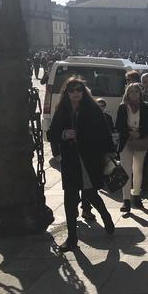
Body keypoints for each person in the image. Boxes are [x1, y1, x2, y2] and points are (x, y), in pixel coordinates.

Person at [48, 78, 116, 251]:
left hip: (90, 158)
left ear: (84, 91)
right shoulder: (62, 109)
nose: (76, 93)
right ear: (67, 92)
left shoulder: (92, 109)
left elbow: (104, 133)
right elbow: (52, 133)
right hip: (71, 160)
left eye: (79, 89)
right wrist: (63, 134)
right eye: (72, 90)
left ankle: (106, 216)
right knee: (70, 198)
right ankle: (72, 239)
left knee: (91, 193)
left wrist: (108, 153)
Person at [115, 83, 148, 213]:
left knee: (138, 169)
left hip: (140, 141)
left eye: (136, 92)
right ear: (127, 93)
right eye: (131, 92)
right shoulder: (122, 107)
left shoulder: (146, 106)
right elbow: (118, 125)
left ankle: (136, 195)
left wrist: (140, 133)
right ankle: (126, 200)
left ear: (140, 93)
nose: (134, 94)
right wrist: (129, 133)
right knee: (126, 171)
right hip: (126, 141)